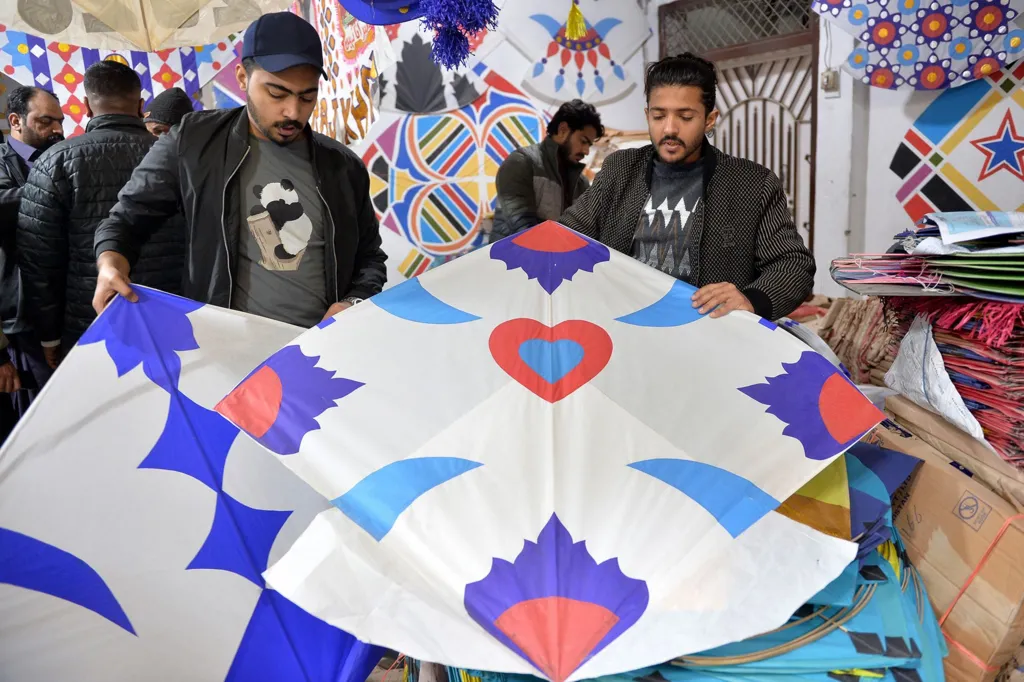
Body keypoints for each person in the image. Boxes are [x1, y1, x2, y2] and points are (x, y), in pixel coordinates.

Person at [92, 12, 386, 326]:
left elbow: (370, 258)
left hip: (315, 349)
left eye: (307, 96)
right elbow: (127, 218)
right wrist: (111, 261)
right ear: (243, 78)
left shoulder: (342, 166)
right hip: (226, 346)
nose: (292, 112)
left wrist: (353, 301)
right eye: (276, 93)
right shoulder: (192, 141)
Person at [560, 53, 815, 321]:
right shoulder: (620, 169)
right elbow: (569, 235)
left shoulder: (751, 183)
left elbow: (793, 264)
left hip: (708, 335)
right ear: (647, 115)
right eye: (659, 116)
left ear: (709, 119)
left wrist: (750, 299)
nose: (670, 129)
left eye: (685, 117)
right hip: (622, 327)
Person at [16, 60, 186, 361]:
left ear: (86, 105)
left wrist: (49, 336)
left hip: (92, 324)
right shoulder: (178, 158)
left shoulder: (54, 162)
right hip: (175, 317)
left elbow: (39, 265)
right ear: (141, 104)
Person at [0, 87, 64, 440]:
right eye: (45, 121)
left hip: (67, 309)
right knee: (42, 423)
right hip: (22, 319)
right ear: (16, 122)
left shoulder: (64, 156)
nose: (56, 129)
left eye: (59, 121)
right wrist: (51, 186)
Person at [491, 99, 602, 241]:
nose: (586, 151)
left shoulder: (581, 184)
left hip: (553, 259)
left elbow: (584, 230)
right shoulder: (521, 162)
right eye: (583, 141)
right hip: (511, 260)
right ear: (562, 130)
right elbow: (522, 227)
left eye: (589, 145)